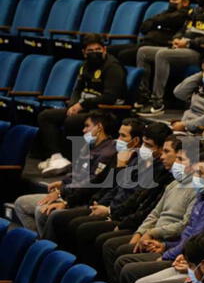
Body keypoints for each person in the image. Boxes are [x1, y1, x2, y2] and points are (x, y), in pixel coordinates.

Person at [117, 147, 204, 283]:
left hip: (186, 258)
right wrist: (164, 246)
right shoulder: (203, 194)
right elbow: (186, 231)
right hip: (178, 250)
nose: (195, 177)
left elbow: (196, 237)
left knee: (135, 278)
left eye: (200, 173)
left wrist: (166, 254)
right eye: (195, 172)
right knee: (125, 261)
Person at [101, 139, 198, 283]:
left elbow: (184, 224)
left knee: (122, 258)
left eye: (181, 159)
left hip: (168, 239)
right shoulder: (173, 184)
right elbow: (155, 213)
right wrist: (140, 233)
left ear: (193, 165)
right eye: (176, 158)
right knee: (112, 246)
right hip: (154, 234)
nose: (175, 162)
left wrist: (152, 233)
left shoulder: (196, 190)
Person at [46, 118, 147, 251]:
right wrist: (93, 202)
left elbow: (127, 195)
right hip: (99, 202)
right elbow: (102, 183)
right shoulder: (119, 155)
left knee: (72, 223)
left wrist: (108, 210)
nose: (118, 140)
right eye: (118, 135)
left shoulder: (139, 163)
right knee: (56, 216)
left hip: (118, 213)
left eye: (123, 136)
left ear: (135, 141)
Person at [15, 111, 118, 236]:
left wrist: (62, 193)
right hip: (69, 193)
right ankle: (38, 243)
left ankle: (47, 247)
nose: (84, 130)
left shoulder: (108, 152)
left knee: (42, 212)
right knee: (21, 204)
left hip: (81, 200)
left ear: (99, 127)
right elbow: (74, 173)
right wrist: (62, 183)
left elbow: (89, 184)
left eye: (87, 126)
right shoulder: (89, 146)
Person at [136, 0, 204, 115]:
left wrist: (188, 43)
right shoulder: (197, 9)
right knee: (143, 51)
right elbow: (183, 29)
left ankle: (157, 102)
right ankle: (143, 96)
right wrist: (177, 39)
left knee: (162, 54)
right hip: (185, 47)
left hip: (201, 52)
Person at [37, 34, 126, 175]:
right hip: (86, 108)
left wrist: (81, 105)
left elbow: (110, 97)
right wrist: (73, 105)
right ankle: (57, 157)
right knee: (46, 116)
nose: (94, 53)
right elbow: (78, 89)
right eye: (90, 51)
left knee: (71, 121)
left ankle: (75, 162)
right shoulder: (84, 66)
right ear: (84, 52)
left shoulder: (113, 67)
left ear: (104, 49)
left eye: (98, 49)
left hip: (106, 111)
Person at [109, 0, 190, 67]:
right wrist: (157, 22)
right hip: (145, 43)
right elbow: (143, 27)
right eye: (170, 0)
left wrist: (154, 22)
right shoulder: (167, 12)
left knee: (124, 55)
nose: (171, 3)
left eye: (174, 0)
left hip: (159, 46)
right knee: (109, 50)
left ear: (185, 2)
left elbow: (168, 19)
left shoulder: (185, 14)